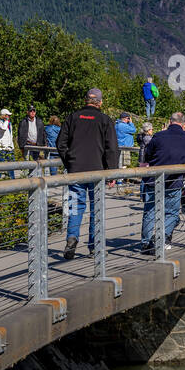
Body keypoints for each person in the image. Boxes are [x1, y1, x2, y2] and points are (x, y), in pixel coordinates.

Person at [56, 88, 119, 259]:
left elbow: (60, 143)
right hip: (97, 171)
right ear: (100, 102)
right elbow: (112, 148)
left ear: (86, 100)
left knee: (75, 206)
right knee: (96, 208)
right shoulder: (104, 120)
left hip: (76, 170)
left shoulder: (73, 117)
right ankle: (94, 246)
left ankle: (72, 238)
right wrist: (111, 171)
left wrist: (69, 161)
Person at [139, 112, 185, 253]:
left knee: (150, 211)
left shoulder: (159, 135)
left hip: (154, 179)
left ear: (169, 121)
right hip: (175, 180)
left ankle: (146, 243)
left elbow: (148, 155)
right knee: (171, 213)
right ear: (184, 124)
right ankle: (160, 237)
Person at [0, 108, 17, 178]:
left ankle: (12, 180)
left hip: (9, 147)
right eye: (7, 115)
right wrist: (6, 121)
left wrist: (12, 146)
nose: (9, 117)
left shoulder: (9, 123)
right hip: (1, 148)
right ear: (3, 115)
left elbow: (10, 136)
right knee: (0, 167)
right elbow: (3, 129)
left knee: (11, 166)